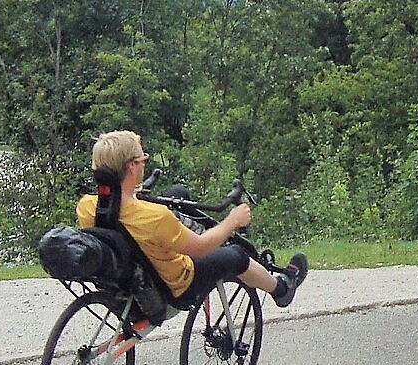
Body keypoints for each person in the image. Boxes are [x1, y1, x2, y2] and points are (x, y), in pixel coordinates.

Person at [77, 130, 308, 308]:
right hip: (176, 285)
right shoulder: (155, 217)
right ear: (131, 167)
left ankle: (205, 232)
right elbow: (200, 248)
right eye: (142, 159)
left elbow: (127, 208)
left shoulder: (87, 206)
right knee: (236, 255)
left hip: (131, 274)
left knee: (177, 194)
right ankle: (281, 289)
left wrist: (133, 193)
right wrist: (232, 221)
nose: (144, 164)